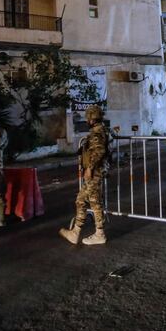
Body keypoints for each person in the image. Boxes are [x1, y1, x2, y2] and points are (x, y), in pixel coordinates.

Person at [59, 104, 109, 246]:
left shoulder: (97, 132)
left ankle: (99, 234)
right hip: (95, 171)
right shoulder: (99, 130)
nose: (87, 120)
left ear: (92, 118)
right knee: (82, 200)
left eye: (88, 117)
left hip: (95, 172)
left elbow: (99, 151)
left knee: (93, 201)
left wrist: (90, 168)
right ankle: (75, 232)